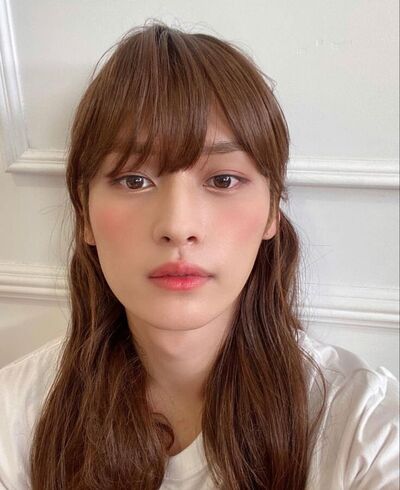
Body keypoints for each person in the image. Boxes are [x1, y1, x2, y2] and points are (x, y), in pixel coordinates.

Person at [0, 20, 398, 490]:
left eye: (223, 180)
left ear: (272, 211)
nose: (178, 226)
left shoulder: (366, 430)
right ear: (84, 215)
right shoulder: (14, 418)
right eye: (133, 179)